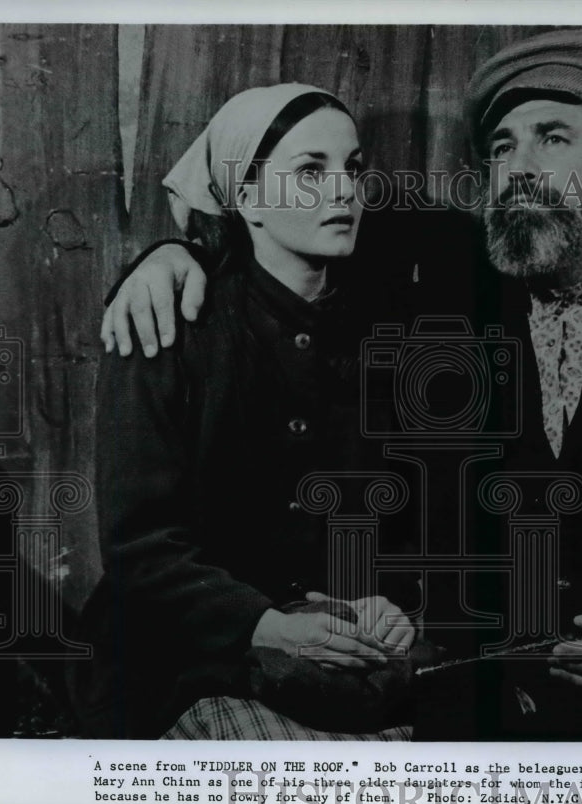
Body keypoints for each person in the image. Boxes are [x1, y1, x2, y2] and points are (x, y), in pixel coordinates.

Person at [99, 31, 582, 741]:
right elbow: (284, 225)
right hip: (489, 702)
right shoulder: (451, 298)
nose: (521, 169)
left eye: (554, 138)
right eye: (502, 148)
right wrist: (173, 255)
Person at [70, 83, 426, 740]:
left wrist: (391, 602)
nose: (343, 190)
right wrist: (268, 625)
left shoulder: (392, 333)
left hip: (338, 651)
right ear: (248, 197)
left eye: (352, 168)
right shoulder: (172, 326)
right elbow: (141, 549)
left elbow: (409, 516)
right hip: (187, 658)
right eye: (310, 171)